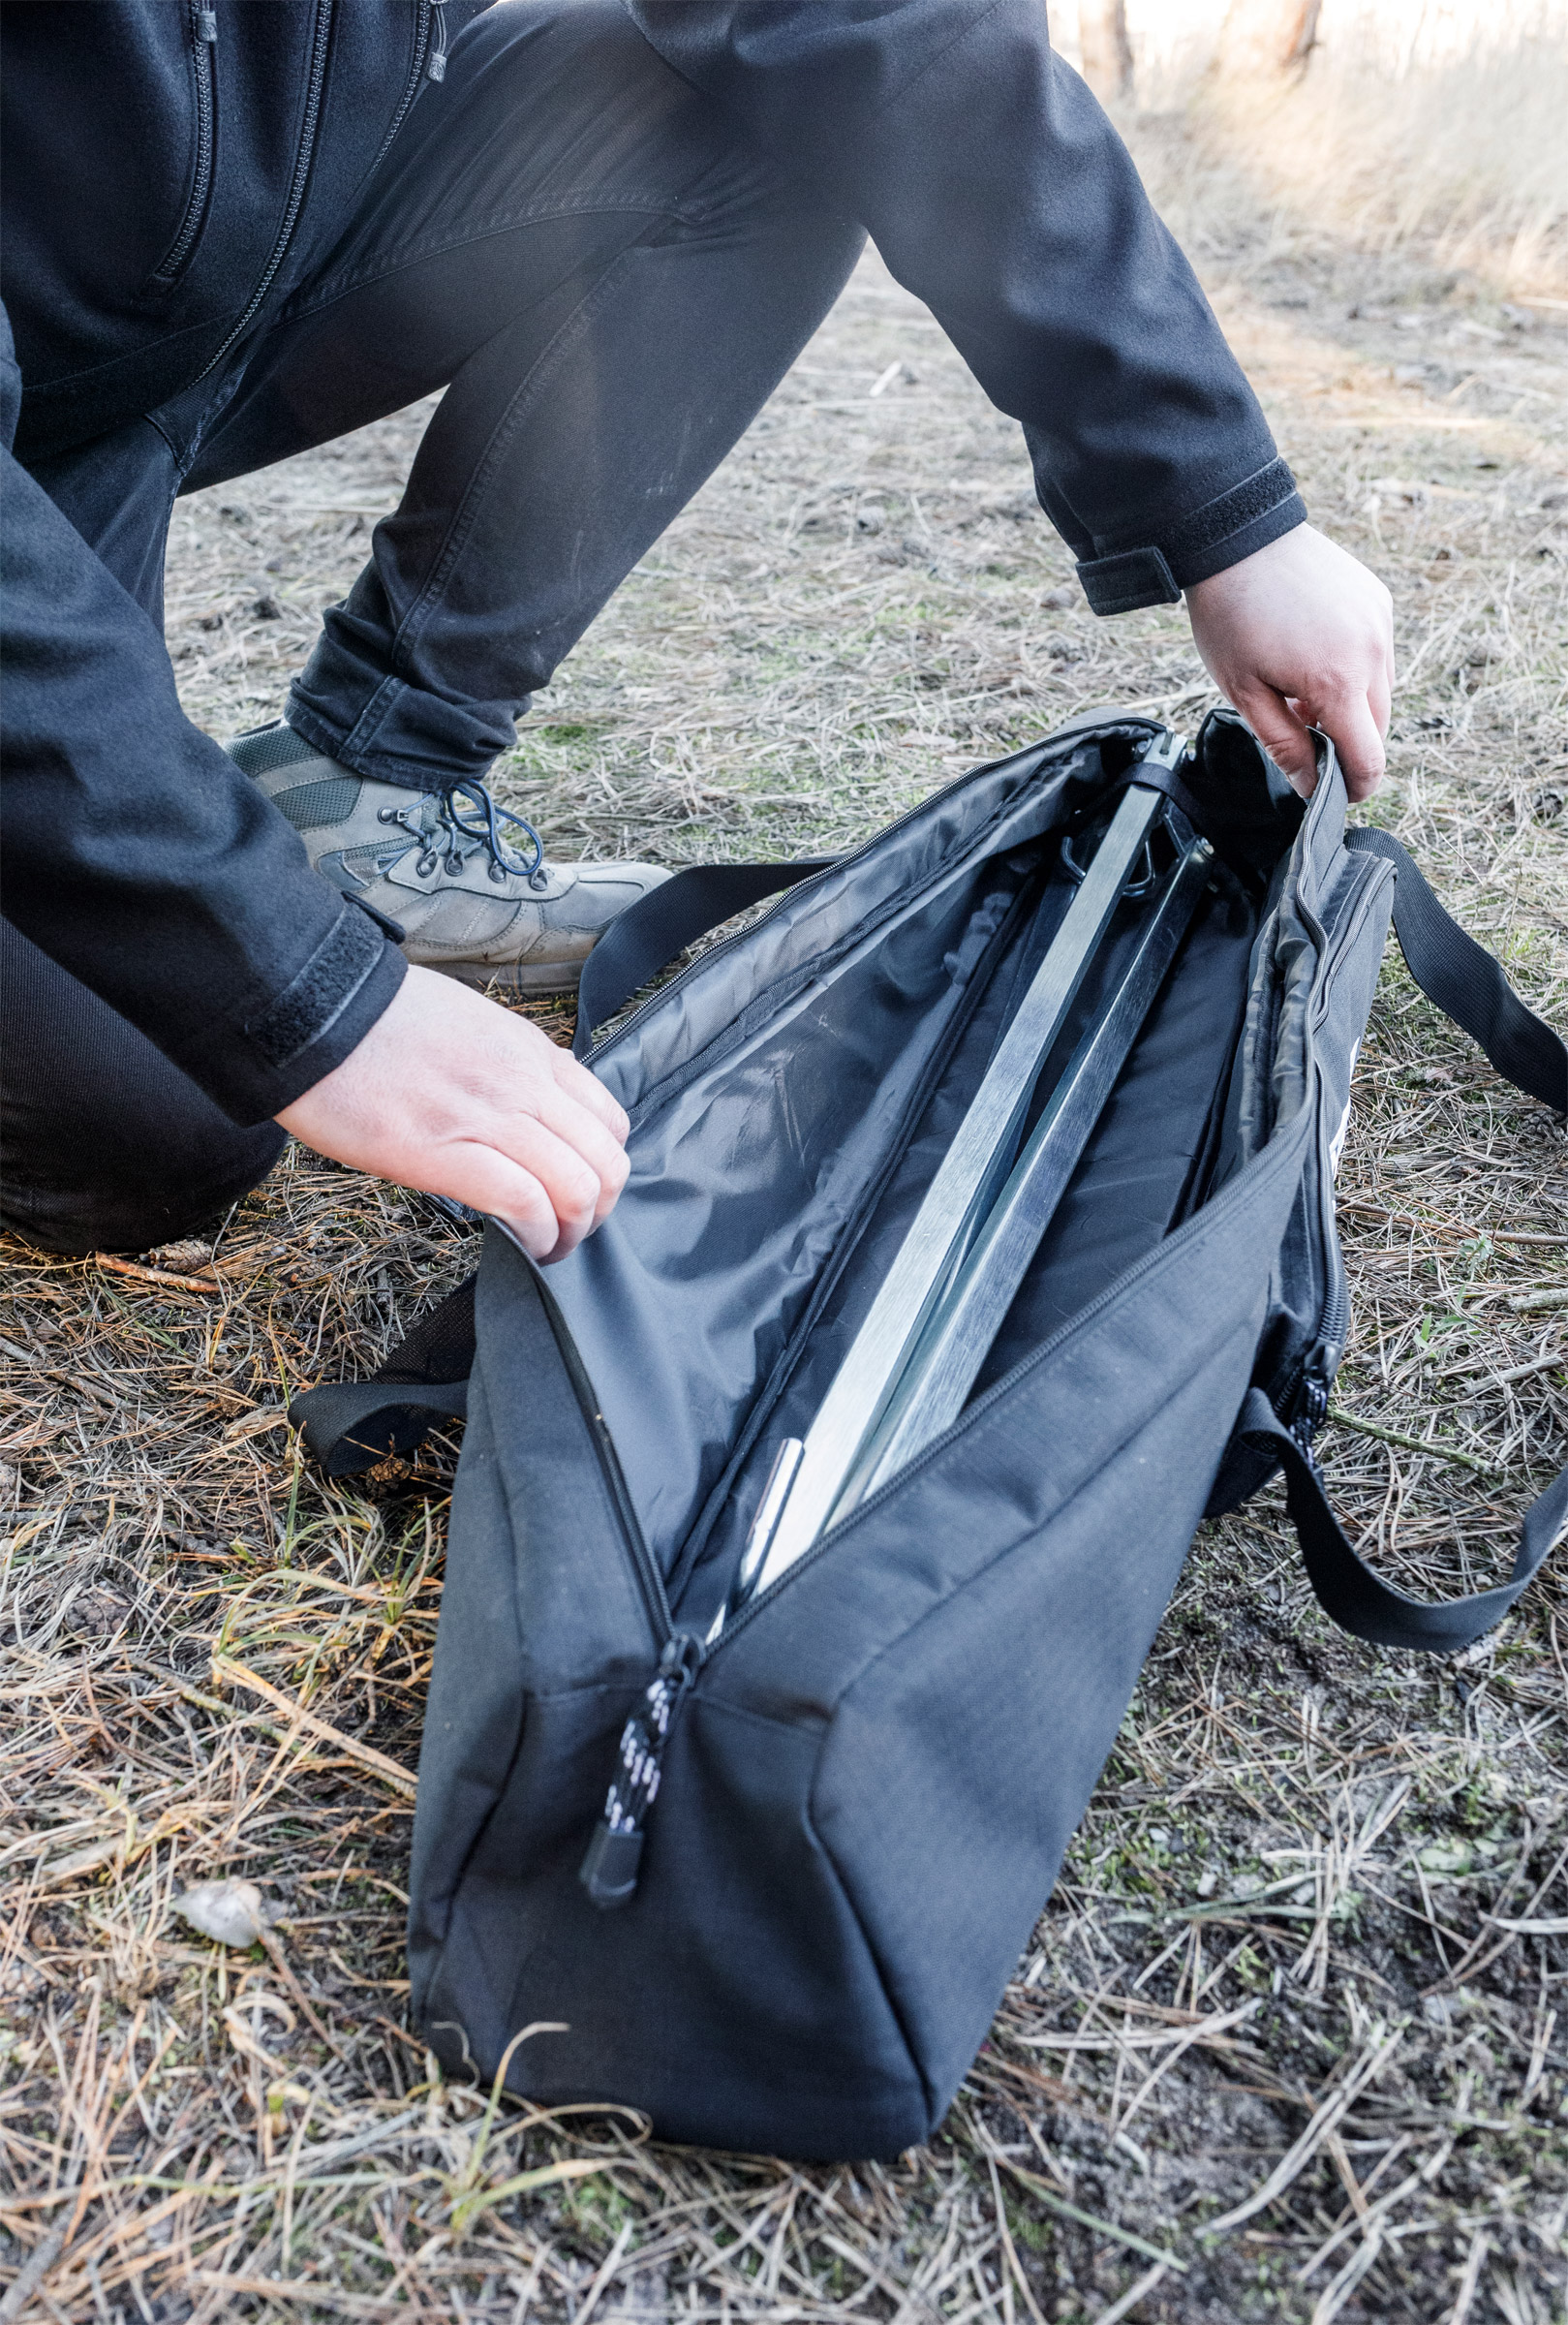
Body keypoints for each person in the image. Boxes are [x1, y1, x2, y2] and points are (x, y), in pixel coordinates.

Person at [1, 0, 1394, 1265]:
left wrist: (1224, 512)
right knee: (170, 1109)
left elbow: (891, 24)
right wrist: (303, 993)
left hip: (196, 305)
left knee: (765, 123)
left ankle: (364, 784)